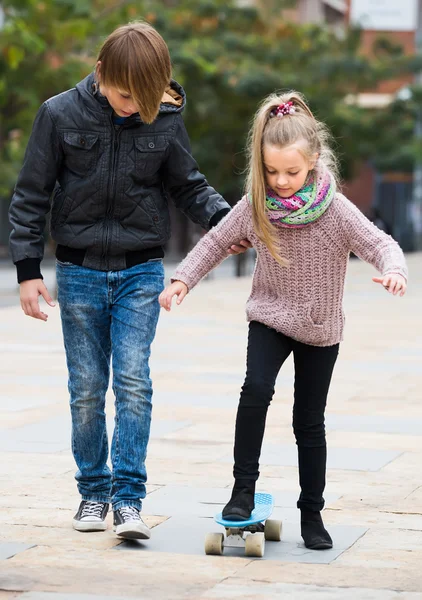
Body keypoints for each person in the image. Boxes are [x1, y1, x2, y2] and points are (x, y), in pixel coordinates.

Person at [8, 21, 250, 540]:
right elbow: (30, 194)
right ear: (100, 73)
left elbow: (190, 185)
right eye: (124, 96)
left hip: (141, 271)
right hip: (78, 274)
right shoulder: (57, 115)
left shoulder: (162, 119)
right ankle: (93, 493)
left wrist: (227, 223)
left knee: (134, 383)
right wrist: (28, 271)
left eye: (143, 99)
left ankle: (129, 500)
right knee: (87, 389)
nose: (132, 108)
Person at [159, 92, 408, 550]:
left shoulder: (336, 210)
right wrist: (183, 280)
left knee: (308, 422)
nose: (281, 181)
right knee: (255, 390)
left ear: (313, 161)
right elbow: (215, 242)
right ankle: (242, 491)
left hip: (320, 328)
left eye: (291, 172)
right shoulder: (257, 205)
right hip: (270, 316)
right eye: (272, 172)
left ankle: (312, 514)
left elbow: (380, 244)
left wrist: (394, 270)